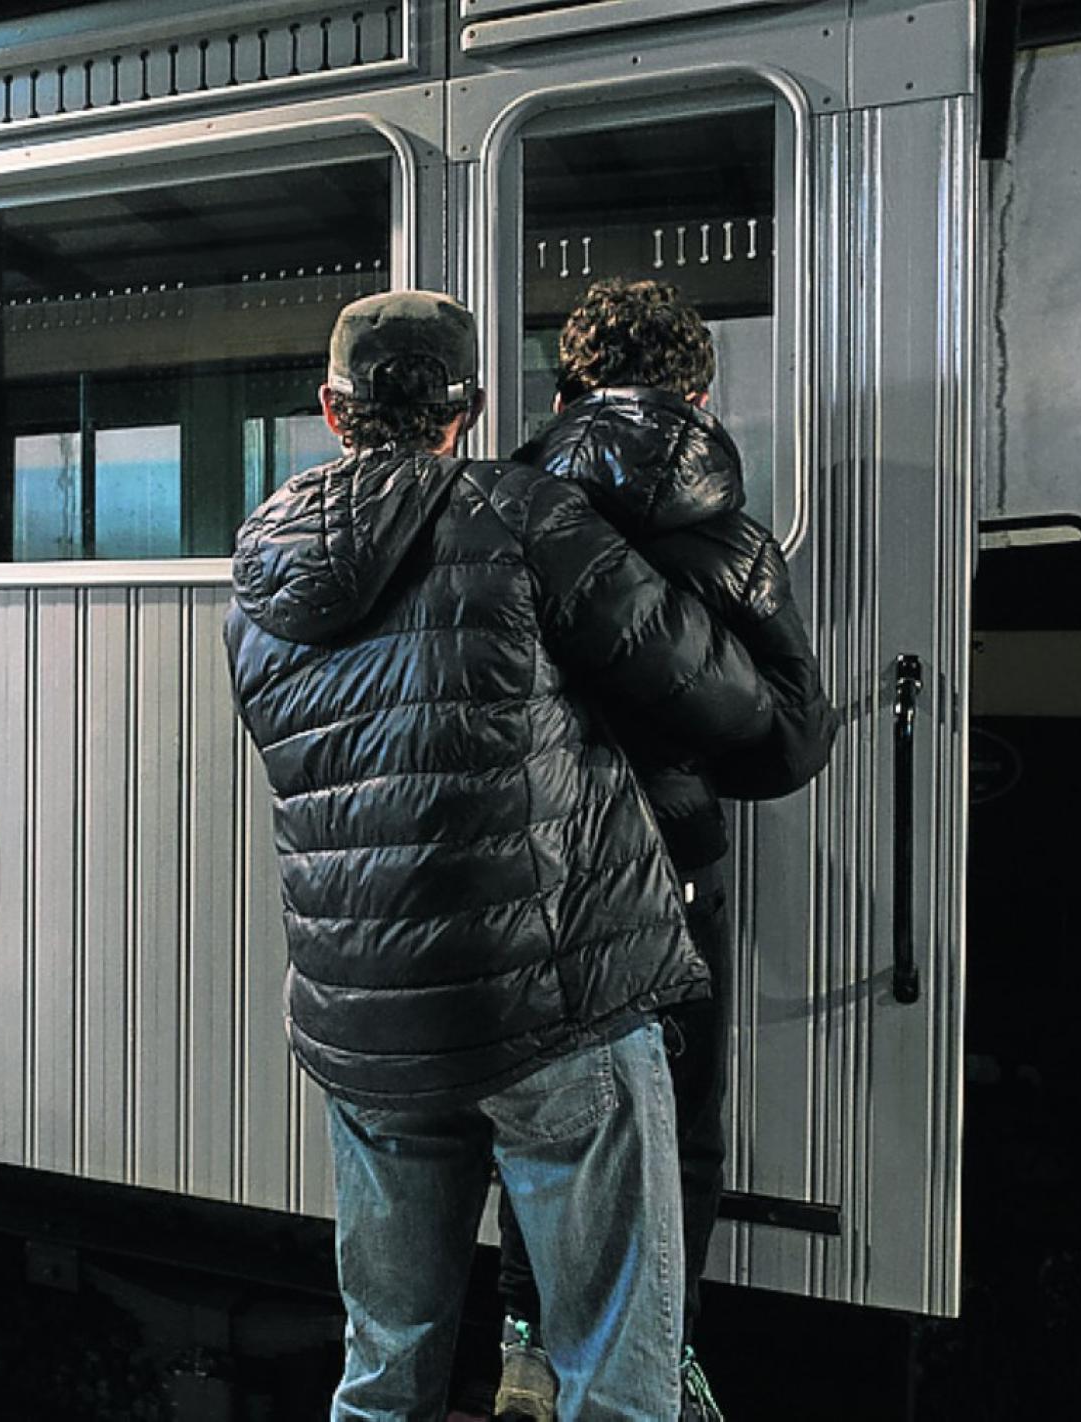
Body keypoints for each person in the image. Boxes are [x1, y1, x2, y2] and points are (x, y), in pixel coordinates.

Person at [224, 289, 788, 1422]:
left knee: (385, 1372)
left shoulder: (258, 578)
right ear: (471, 406)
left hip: (366, 1026)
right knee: (613, 1373)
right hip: (552, 1002)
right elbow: (734, 707)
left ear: (329, 411)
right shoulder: (523, 513)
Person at [490, 278, 840, 1422]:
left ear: (567, 389)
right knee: (679, 1125)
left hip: (535, 859)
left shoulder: (508, 513)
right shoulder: (735, 543)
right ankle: (660, 1362)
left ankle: (524, 1345)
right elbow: (787, 746)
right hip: (678, 859)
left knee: (540, 1111)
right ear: (697, 394)